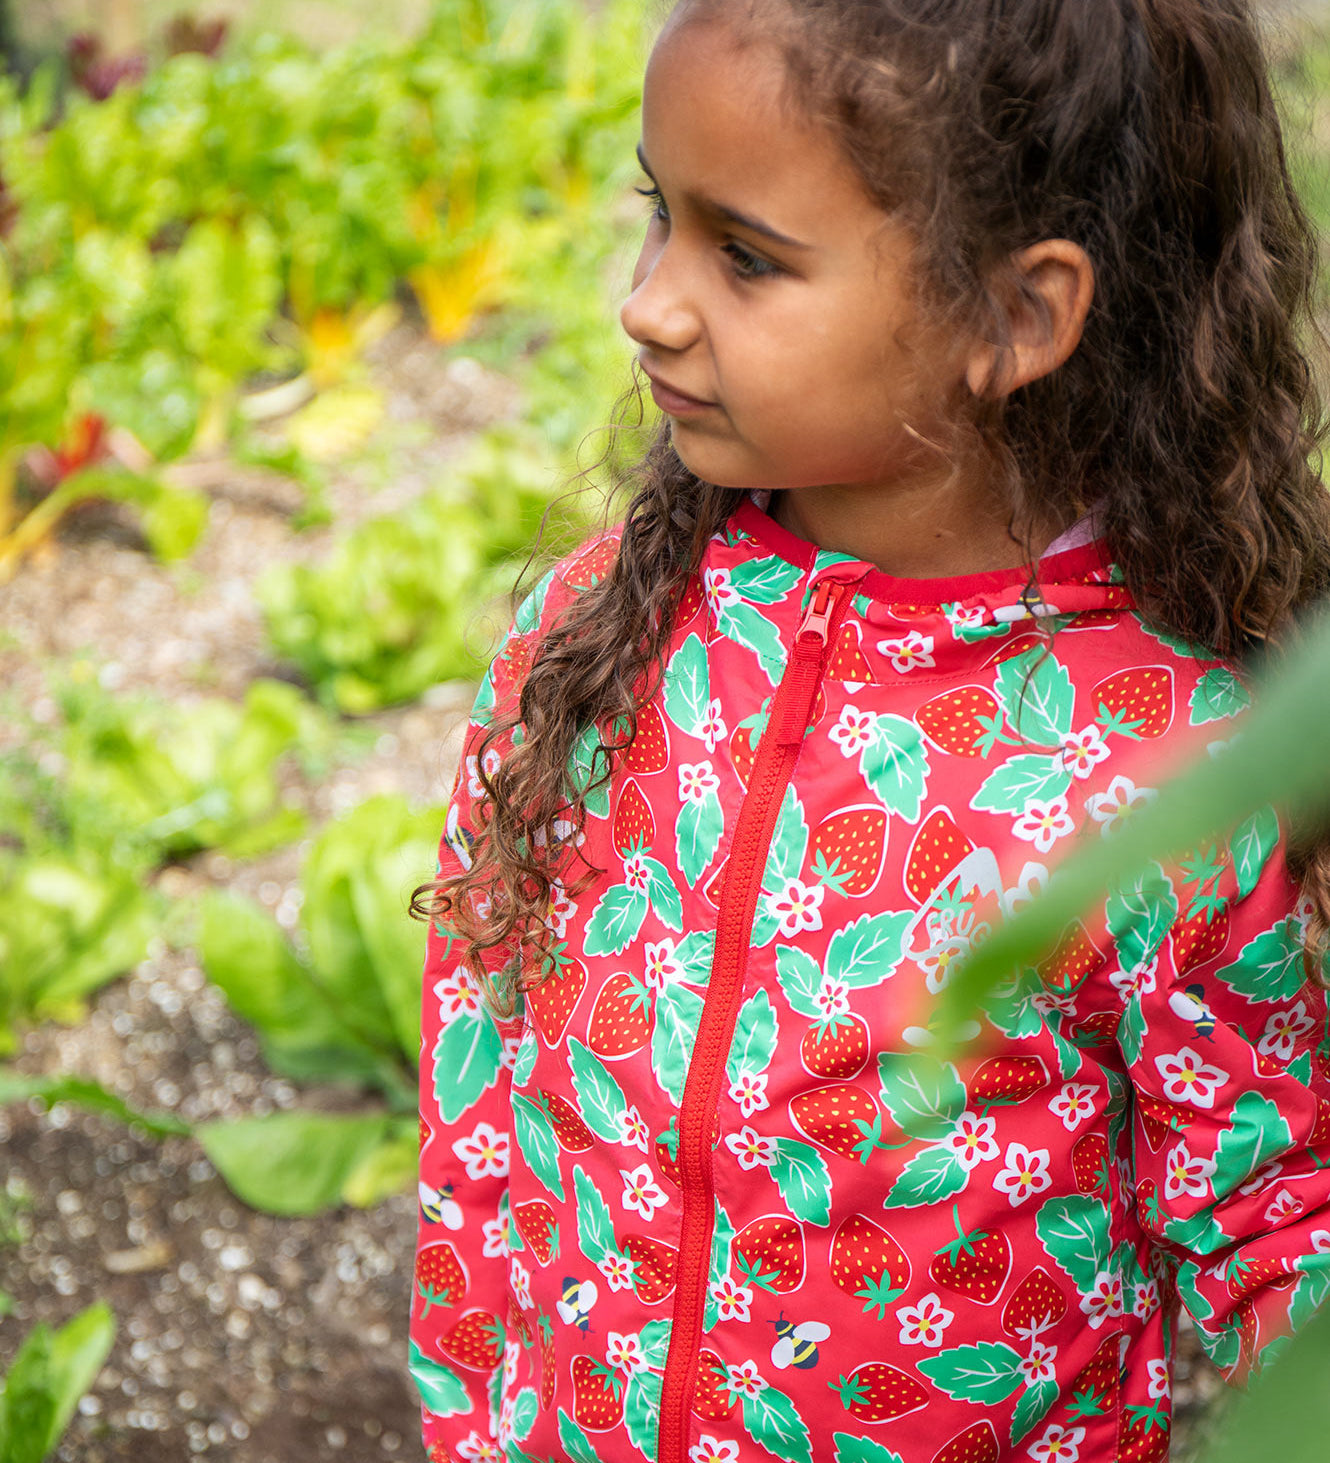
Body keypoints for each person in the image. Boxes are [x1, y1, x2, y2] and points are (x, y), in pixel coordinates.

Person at [410, 2, 1330, 1461]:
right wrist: (470, 1416)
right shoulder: (600, 631)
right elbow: (482, 1056)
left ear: (1014, 317)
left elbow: (1274, 1223)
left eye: (745, 255)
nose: (646, 302)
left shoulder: (1173, 769)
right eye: (662, 217)